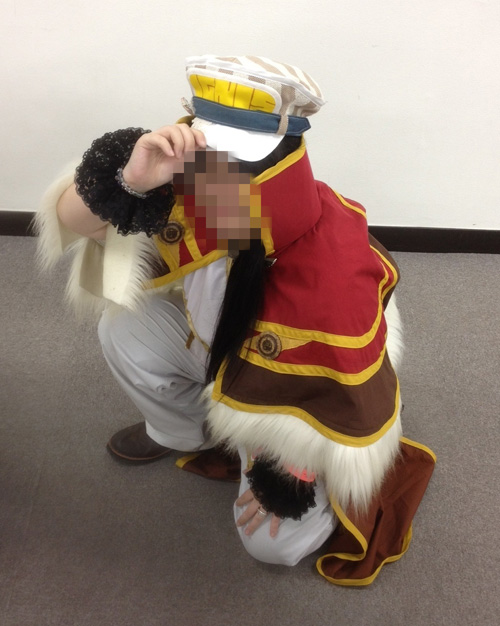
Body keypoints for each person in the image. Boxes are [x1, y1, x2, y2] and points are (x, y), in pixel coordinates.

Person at [36, 55, 435, 585]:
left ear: (283, 155)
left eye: (234, 159)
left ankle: (293, 477)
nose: (215, 173)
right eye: (209, 152)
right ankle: (183, 432)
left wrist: (295, 468)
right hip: (221, 353)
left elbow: (353, 397)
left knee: (271, 545)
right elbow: (72, 222)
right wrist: (131, 181)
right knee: (122, 329)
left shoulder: (332, 276)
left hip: (297, 402)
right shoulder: (208, 191)